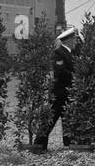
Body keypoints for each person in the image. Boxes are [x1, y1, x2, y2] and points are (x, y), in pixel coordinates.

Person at [33, 25, 77, 153]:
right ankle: (39, 144)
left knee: (67, 118)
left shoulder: (69, 53)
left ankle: (69, 143)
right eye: (74, 39)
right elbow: (60, 72)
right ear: (69, 40)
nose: (76, 42)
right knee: (51, 118)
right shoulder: (59, 53)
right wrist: (76, 75)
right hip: (59, 92)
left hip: (67, 92)